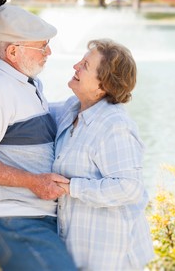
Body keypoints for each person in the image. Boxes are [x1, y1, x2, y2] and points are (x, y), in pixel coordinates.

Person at [0, 3, 76, 270]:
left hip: (37, 218)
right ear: (13, 51)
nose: (49, 52)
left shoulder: (28, 84)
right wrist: (33, 181)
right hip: (13, 220)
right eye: (42, 46)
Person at [50, 39, 155, 270]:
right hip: (78, 253)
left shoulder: (114, 125)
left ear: (103, 86)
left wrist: (71, 187)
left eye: (85, 65)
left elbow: (129, 187)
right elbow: (33, 110)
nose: (75, 66)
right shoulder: (72, 108)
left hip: (111, 257)